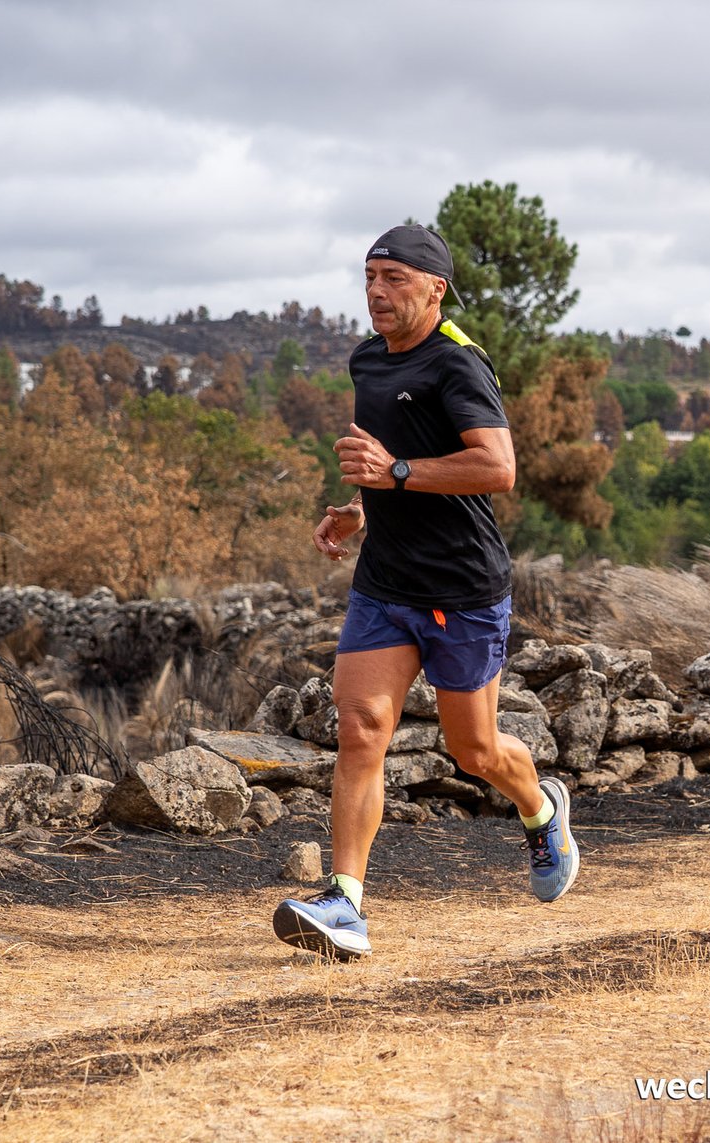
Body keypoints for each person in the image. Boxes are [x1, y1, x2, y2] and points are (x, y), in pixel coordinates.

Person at [272, 224, 579, 961]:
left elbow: (496, 467)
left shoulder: (457, 363)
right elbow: (385, 459)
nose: (377, 291)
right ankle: (345, 902)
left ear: (435, 289)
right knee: (362, 727)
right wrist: (363, 506)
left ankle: (540, 810)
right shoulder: (368, 360)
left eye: (395, 278)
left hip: (462, 587)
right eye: (370, 275)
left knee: (472, 749)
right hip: (385, 583)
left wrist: (398, 472)